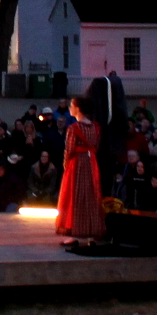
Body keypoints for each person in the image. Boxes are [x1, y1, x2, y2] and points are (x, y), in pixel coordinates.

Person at [56, 96, 106, 241]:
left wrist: (66, 165)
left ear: (78, 108)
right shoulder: (95, 127)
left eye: (71, 105)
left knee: (75, 196)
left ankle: (75, 231)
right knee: (91, 195)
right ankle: (91, 229)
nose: (70, 108)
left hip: (77, 164)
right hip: (91, 163)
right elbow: (96, 146)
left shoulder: (74, 128)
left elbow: (69, 149)